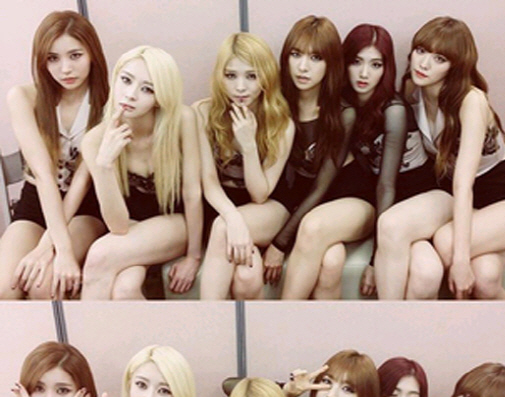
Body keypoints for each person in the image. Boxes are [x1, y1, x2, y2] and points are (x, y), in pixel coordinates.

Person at [375, 16, 505, 300]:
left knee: (451, 247)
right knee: (485, 280)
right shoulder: (414, 90)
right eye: (421, 51)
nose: (424, 64)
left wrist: (461, 262)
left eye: (439, 58)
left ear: (455, 65)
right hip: (462, 198)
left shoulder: (471, 100)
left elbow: (464, 184)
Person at [0, 10, 108, 300]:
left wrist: (52, 248)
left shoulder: (108, 104)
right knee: (4, 287)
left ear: (92, 54)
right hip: (38, 198)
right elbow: (44, 176)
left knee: (45, 286)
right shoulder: (23, 98)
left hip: (85, 205)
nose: (65, 69)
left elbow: (82, 182)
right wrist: (46, 247)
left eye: (75, 55)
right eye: (53, 58)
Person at [81, 46, 203, 299]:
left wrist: (193, 257)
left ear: (159, 97)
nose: (130, 94)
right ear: (115, 78)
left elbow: (192, 194)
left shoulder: (182, 120)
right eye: (126, 80)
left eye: (147, 89)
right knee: (124, 290)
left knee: (98, 257)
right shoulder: (94, 141)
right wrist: (104, 165)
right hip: (130, 227)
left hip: (177, 223)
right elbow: (118, 226)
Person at [261, 16, 364, 296]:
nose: (303, 67)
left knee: (313, 226)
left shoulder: (343, 114)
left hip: (350, 198)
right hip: (307, 202)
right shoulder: (280, 104)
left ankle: (284, 314)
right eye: (296, 55)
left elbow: (322, 186)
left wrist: (279, 244)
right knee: (332, 261)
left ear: (331, 64)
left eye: (316, 58)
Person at [196, 32, 295, 299]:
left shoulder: (282, 124)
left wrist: (249, 145)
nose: (240, 87)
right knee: (247, 276)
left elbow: (260, 194)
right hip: (221, 204)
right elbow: (209, 183)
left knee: (222, 228)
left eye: (251, 76)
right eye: (231, 76)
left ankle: (207, 316)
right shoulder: (202, 114)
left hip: (268, 207)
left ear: (266, 77)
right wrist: (234, 218)